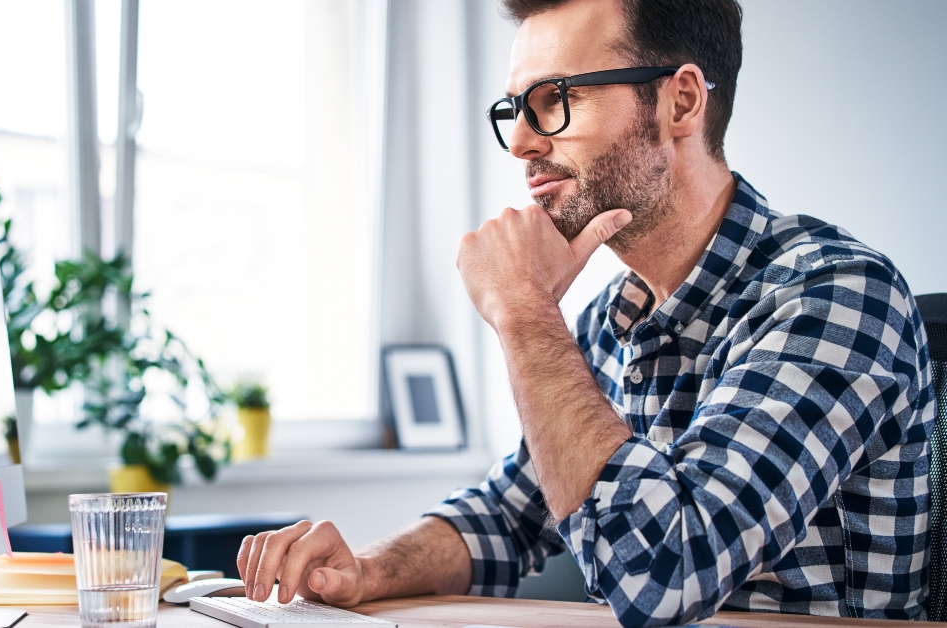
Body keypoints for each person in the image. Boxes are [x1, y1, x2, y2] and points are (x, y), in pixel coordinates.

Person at [236, 0, 934, 625]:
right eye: (516, 108)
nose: (521, 142)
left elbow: (667, 576)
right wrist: (367, 570)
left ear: (680, 102)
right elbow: (507, 517)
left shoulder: (835, 294)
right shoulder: (612, 319)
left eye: (557, 98)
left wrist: (521, 310)